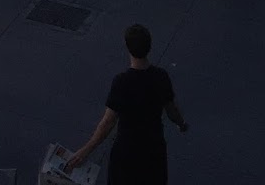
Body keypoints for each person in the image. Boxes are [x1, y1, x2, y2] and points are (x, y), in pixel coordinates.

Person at [64, 22, 187, 182]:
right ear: (149, 46)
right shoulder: (161, 77)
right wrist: (181, 124)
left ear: (128, 48)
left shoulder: (122, 82)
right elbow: (172, 110)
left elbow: (107, 122)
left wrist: (86, 150)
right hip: (153, 148)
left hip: (127, 151)